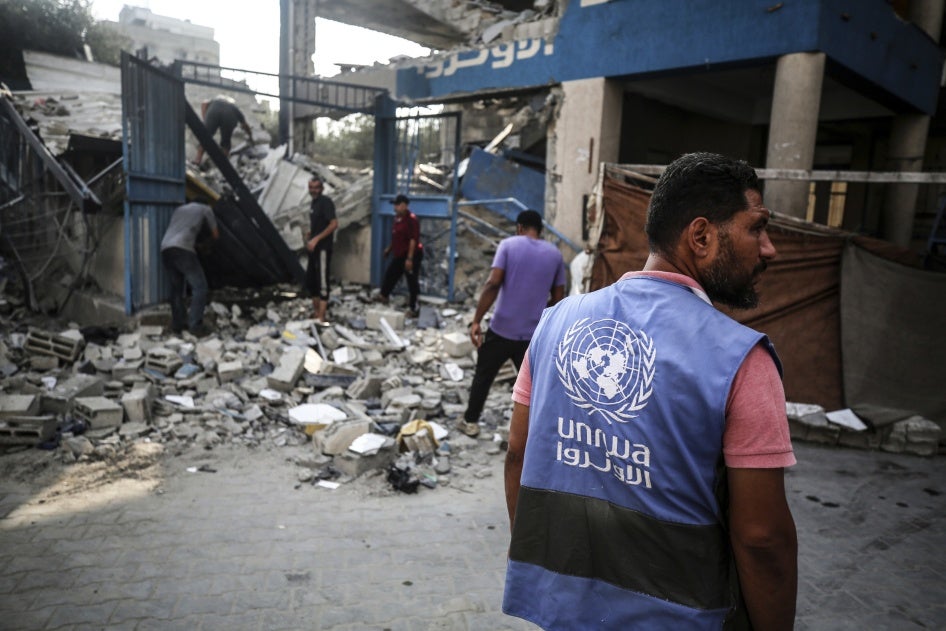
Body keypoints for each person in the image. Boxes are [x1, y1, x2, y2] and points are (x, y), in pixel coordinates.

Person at [503, 152, 797, 630]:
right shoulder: (743, 360)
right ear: (701, 236)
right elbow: (762, 539)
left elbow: (517, 456)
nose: (769, 249)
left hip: (561, 609)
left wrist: (548, 572)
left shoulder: (555, 323)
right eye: (756, 228)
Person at [457, 210, 566, 438]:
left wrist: (476, 320)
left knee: (483, 377)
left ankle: (471, 421)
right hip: (532, 334)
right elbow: (558, 297)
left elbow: (493, 283)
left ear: (519, 227)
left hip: (501, 329)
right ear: (540, 230)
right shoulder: (554, 255)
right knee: (533, 387)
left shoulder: (508, 245)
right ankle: (535, 432)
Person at [160, 198, 219, 336]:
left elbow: (180, 230)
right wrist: (206, 246)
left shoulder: (179, 209)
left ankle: (178, 325)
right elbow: (216, 235)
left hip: (166, 248)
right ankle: (195, 326)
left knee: (176, 289)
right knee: (200, 287)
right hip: (183, 249)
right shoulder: (206, 208)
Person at [378, 194, 424, 316]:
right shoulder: (397, 219)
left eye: (397, 205)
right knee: (390, 274)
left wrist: (409, 259)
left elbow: (413, 240)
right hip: (399, 254)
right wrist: (389, 249)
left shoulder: (412, 220)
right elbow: (396, 237)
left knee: (411, 280)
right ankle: (383, 296)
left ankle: (414, 307)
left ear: (404, 206)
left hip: (411, 254)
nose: (395, 208)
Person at [304, 176, 338, 324]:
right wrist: (311, 234)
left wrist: (317, 239)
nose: (313, 190)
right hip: (313, 248)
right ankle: (316, 312)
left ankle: (322, 316)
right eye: (311, 188)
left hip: (323, 248)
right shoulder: (314, 203)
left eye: (316, 187)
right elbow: (320, 224)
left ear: (322, 188)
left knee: (323, 281)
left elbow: (334, 224)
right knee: (312, 280)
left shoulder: (326, 203)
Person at [194, 96, 254, 164]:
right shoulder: (234, 107)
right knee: (226, 143)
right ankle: (223, 164)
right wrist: (250, 135)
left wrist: (205, 120)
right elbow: (244, 124)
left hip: (214, 111)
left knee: (205, 138)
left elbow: (204, 103)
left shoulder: (215, 100)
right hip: (230, 115)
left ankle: (197, 160)